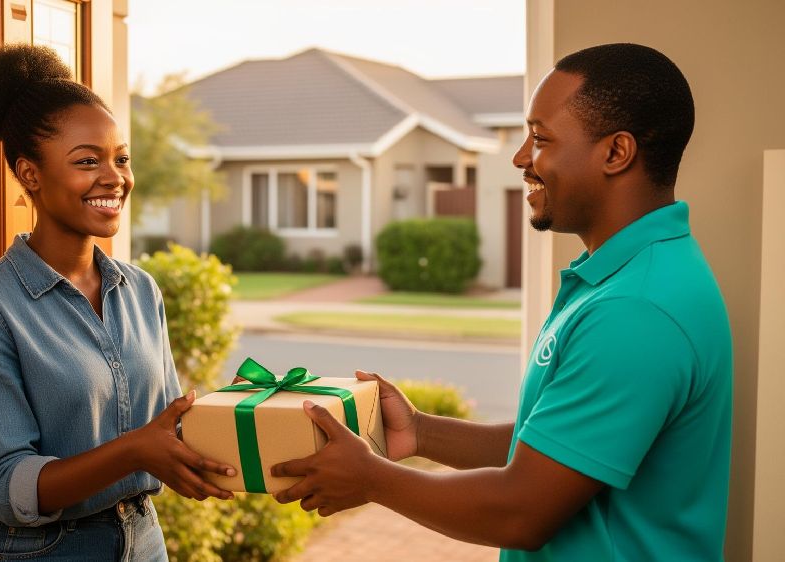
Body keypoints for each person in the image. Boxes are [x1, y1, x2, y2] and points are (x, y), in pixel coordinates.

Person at [270, 43, 732, 561]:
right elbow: (557, 448)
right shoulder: (631, 277)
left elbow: (520, 510)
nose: (519, 158)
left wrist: (372, 478)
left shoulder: (636, 309)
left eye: (540, 138)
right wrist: (420, 431)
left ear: (615, 153)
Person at [0, 44, 235, 561]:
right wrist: (135, 451)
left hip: (143, 539)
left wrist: (261, 417)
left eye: (121, 159)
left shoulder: (140, 289)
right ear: (30, 174)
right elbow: (7, 486)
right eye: (87, 161)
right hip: (43, 550)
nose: (115, 177)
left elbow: (170, 424)